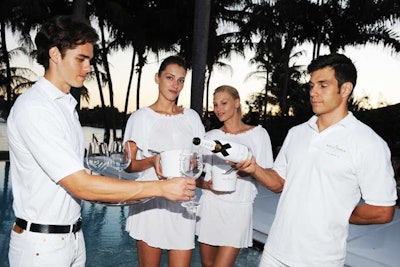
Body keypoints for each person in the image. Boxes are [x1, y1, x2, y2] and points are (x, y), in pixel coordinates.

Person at [6, 16, 195, 267]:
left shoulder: (65, 107)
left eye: (90, 60)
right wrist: (161, 188)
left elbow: (81, 179)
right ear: (54, 54)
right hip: (42, 247)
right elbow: (81, 185)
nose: (88, 67)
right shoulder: (36, 108)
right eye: (81, 59)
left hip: (70, 238)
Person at [235, 53, 398, 267]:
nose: (313, 93)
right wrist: (254, 168)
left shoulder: (368, 143)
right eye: (311, 86)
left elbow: (382, 210)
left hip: (321, 260)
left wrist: (338, 214)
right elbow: (279, 182)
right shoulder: (297, 133)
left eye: (323, 85)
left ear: (346, 89)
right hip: (275, 252)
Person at [123, 55, 205, 267]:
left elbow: (199, 159)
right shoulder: (141, 118)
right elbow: (129, 165)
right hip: (151, 202)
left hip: (182, 204)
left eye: (180, 80)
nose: (175, 85)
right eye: (170, 78)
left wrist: (193, 165)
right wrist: (152, 160)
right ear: (157, 78)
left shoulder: (192, 118)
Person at [195, 85, 274, 267]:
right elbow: (192, 174)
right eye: (215, 105)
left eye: (223, 103)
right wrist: (207, 185)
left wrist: (249, 171)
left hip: (238, 210)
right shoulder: (211, 137)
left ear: (237, 103)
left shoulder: (259, 135)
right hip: (211, 207)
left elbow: (267, 174)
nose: (218, 109)